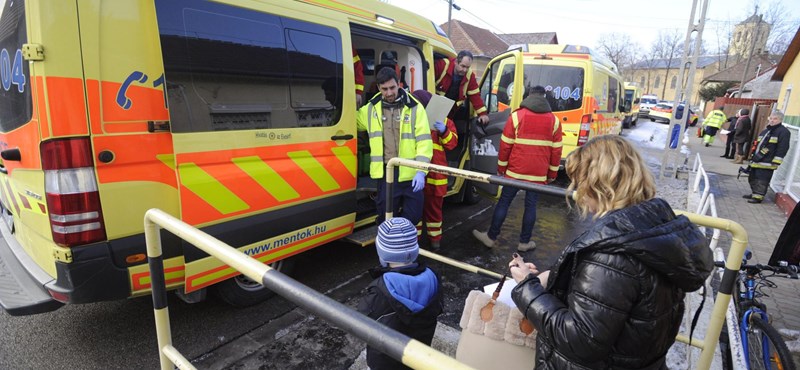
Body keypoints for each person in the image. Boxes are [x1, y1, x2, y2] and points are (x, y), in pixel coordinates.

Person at [508, 135, 713, 369]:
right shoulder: (655, 230)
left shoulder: (612, 254)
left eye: (580, 183)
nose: (578, 193)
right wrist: (553, 277)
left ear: (597, 185)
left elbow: (580, 341)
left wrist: (526, 286)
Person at [472, 86, 562, 252]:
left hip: (514, 172)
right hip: (538, 174)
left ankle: (491, 237)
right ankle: (524, 242)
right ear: (544, 97)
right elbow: (556, 151)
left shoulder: (516, 116)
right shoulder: (554, 121)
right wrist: (551, 174)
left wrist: (501, 168)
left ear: (528, 96)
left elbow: (505, 146)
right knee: (531, 206)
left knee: (504, 202)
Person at [357, 217, 442, 370]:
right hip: (419, 355)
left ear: (382, 253)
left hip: (385, 361)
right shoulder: (433, 277)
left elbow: (363, 319)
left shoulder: (380, 289)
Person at [356, 67, 433, 225]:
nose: (389, 93)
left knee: (414, 216)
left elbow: (424, 141)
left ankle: (402, 239)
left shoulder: (415, 108)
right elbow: (351, 122)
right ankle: (390, 245)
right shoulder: (370, 109)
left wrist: (421, 171)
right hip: (387, 174)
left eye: (392, 87)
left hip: (412, 174)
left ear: (399, 84)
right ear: (378, 88)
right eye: (384, 89)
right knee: (385, 217)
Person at [411, 90, 458, 249]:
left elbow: (452, 144)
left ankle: (435, 242)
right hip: (416, 173)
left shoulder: (444, 120)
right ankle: (414, 243)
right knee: (414, 211)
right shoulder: (413, 118)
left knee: (434, 212)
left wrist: (444, 130)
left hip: (436, 176)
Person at [743, 110, 790, 204]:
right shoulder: (767, 130)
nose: (772, 120)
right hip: (757, 160)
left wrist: (776, 161)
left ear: (780, 120)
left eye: (775, 119)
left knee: (762, 180)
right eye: (771, 118)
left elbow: (783, 147)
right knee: (753, 178)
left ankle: (758, 197)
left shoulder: (783, 132)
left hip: (768, 162)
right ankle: (754, 193)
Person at [434, 50, 490, 125]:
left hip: (450, 112)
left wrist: (482, 114)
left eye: (468, 67)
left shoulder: (469, 75)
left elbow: (475, 95)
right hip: (433, 105)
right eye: (463, 66)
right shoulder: (442, 65)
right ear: (456, 62)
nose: (465, 70)